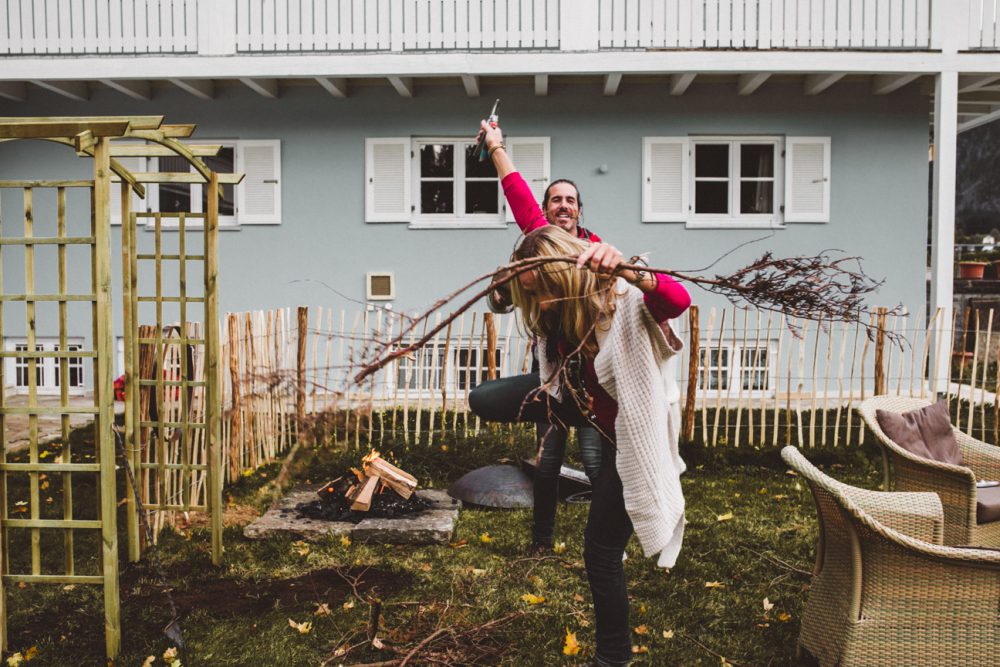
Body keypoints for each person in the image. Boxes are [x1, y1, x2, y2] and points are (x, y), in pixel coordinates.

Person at [470, 225, 691, 667]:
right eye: (533, 293)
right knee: (484, 398)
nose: (541, 302)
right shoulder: (559, 318)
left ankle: (613, 660)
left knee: (601, 552)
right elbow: (523, 242)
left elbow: (677, 300)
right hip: (586, 411)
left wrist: (630, 272)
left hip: (629, 440)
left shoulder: (621, 300)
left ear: (566, 275)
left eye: (544, 289)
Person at [476, 119, 602, 555]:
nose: (563, 206)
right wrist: (495, 145)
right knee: (547, 461)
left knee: (597, 462)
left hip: (590, 373)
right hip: (549, 371)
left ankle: (607, 540)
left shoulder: (594, 250)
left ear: (579, 210)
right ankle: (541, 543)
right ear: (545, 210)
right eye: (555, 200)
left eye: (570, 200)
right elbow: (515, 190)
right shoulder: (536, 242)